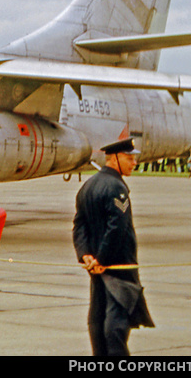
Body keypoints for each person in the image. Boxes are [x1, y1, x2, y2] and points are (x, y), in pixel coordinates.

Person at [73, 138, 155, 356]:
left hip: (97, 268)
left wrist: (86, 256)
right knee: (116, 324)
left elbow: (79, 225)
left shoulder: (88, 186)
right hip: (118, 267)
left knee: (96, 320)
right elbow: (117, 226)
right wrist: (101, 259)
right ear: (115, 158)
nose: (134, 162)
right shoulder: (117, 189)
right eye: (130, 158)